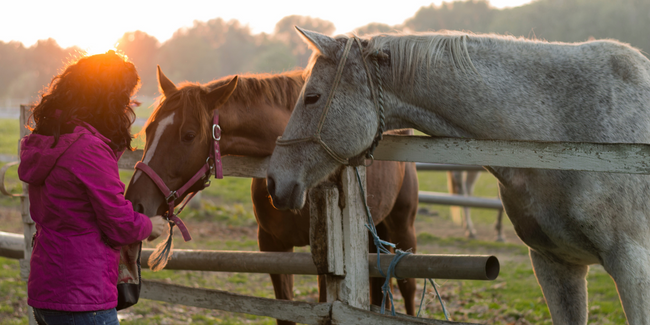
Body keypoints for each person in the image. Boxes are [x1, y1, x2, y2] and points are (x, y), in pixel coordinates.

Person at [17, 50, 167, 325]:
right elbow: (119, 224)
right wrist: (150, 225)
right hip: (83, 298)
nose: (126, 106)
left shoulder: (48, 141)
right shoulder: (89, 151)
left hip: (47, 292)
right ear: (107, 100)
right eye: (123, 98)